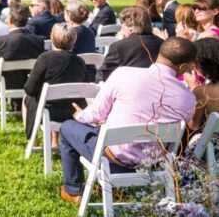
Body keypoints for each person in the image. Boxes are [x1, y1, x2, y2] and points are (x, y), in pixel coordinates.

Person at [58, 37, 197, 204]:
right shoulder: (188, 98)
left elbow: (95, 115)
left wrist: (79, 115)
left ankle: (73, 190)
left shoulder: (123, 73)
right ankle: (105, 188)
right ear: (182, 66)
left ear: (159, 54)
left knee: (67, 127)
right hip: (151, 164)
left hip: (112, 160)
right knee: (107, 133)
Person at [23, 23, 87, 142]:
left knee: (27, 98)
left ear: (51, 37)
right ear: (74, 39)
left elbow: (29, 89)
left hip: (50, 112)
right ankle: (54, 141)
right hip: (73, 110)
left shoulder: (45, 58)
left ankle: (33, 141)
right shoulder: (80, 62)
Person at [0, 3, 44, 113]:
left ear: (9, 19)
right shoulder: (38, 41)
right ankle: (18, 104)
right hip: (29, 83)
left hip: (5, 83)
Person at [96, 7, 164, 82]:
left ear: (130, 28)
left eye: (122, 25)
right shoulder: (163, 44)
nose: (121, 29)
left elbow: (103, 76)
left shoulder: (119, 47)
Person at [186, 38, 219, 134]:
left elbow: (194, 125)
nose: (194, 67)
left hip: (211, 146)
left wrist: (194, 88)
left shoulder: (202, 92)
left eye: (195, 64)